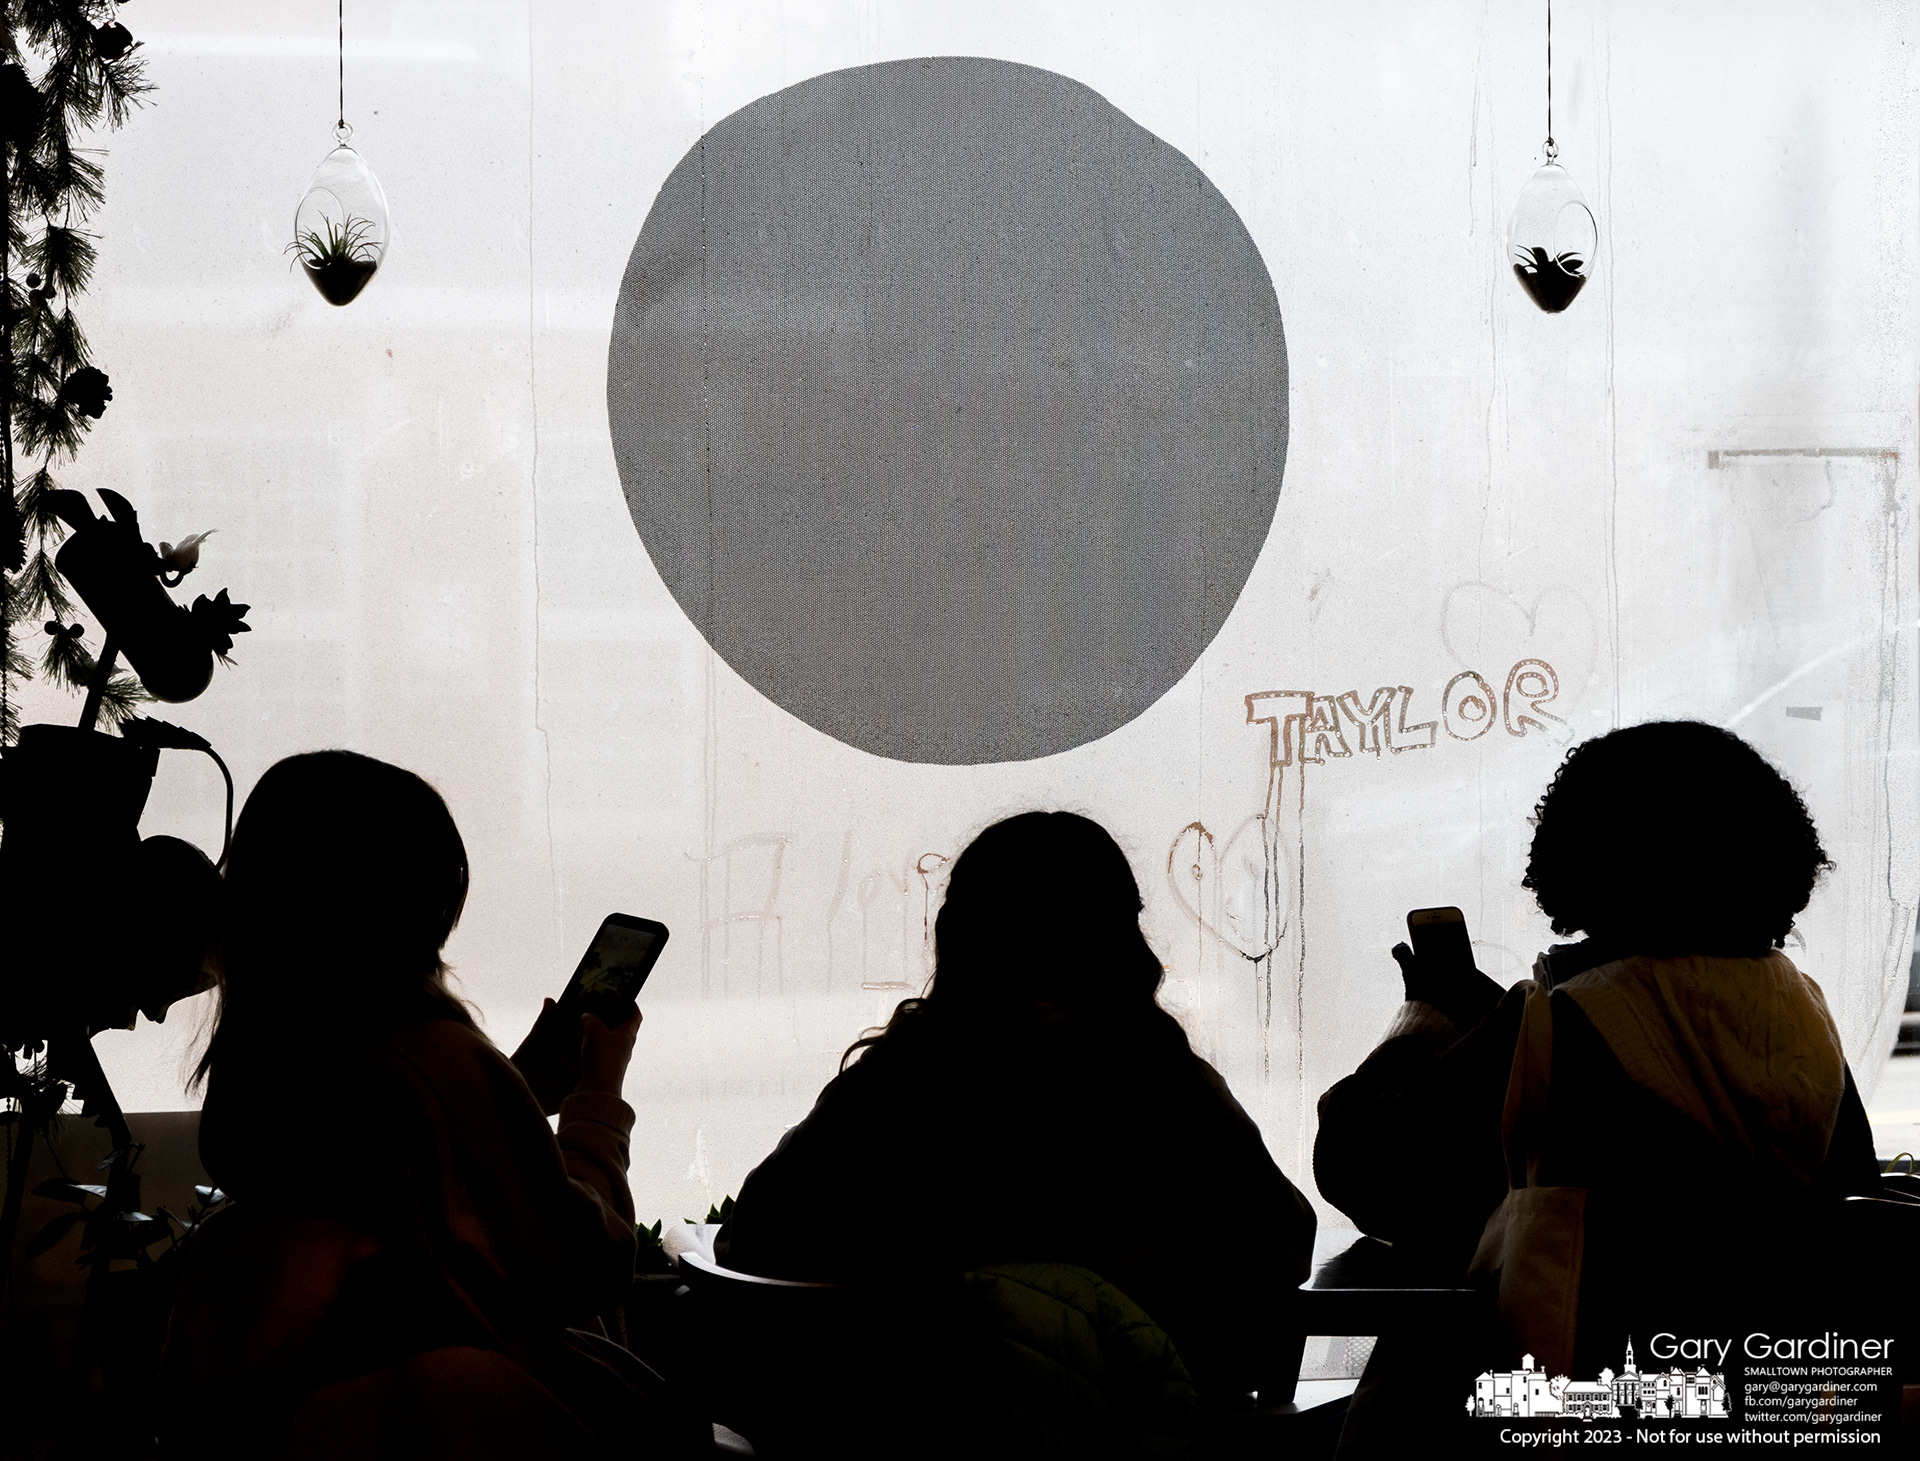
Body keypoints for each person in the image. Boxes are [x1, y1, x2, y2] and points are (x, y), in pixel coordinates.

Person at [1312, 722, 1882, 1445]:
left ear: (1578, 858)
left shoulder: (1555, 1021)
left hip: (1565, 1419)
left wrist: (1421, 1021)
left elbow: (1363, 1171)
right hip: (1768, 1419)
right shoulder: (1810, 1022)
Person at [159, 750, 701, 1459]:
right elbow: (586, 1263)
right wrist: (598, 1099)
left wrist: (516, 1085)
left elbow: (384, 1162)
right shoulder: (435, 1058)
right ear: (413, 907)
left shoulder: (273, 1061)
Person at [716, 810, 1317, 1405]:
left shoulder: (893, 1085)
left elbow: (752, 1240)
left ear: (959, 936)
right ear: (1120, 940)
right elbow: (1285, 1249)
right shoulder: (1171, 1088)